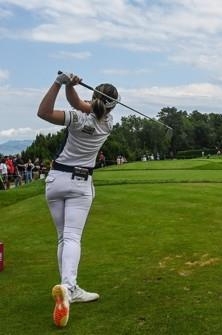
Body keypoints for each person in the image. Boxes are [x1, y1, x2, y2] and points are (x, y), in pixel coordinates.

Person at [37, 71, 119, 328]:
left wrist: (61, 84)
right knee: (72, 237)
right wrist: (69, 87)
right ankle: (69, 288)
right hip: (81, 183)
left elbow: (44, 112)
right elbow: (87, 106)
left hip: (55, 180)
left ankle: (68, 286)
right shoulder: (108, 123)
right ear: (113, 105)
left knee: (63, 237)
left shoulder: (75, 118)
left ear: (93, 97)